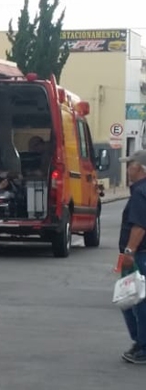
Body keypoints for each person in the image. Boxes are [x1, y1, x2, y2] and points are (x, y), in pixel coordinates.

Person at [117, 150, 146, 364]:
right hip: (139, 254)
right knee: (132, 300)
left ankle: (143, 345)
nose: (128, 170)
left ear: (141, 168)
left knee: (136, 302)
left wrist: (128, 252)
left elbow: (139, 225)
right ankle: (140, 342)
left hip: (139, 255)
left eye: (130, 165)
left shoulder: (140, 192)